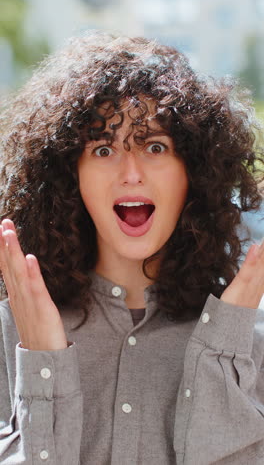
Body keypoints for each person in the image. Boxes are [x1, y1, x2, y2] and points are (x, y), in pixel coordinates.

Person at [0, 31, 263, 465]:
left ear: (193, 173)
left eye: (155, 146)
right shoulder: (13, 332)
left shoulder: (246, 341)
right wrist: (43, 362)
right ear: (72, 177)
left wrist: (221, 358)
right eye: (103, 149)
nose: (131, 173)